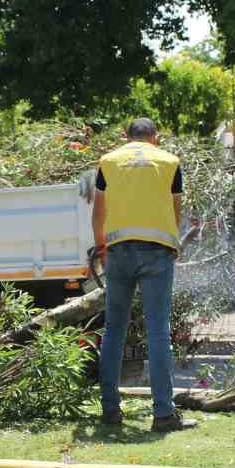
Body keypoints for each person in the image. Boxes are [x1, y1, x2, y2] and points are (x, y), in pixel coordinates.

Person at [92, 117, 197, 432]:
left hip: (119, 252)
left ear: (126, 137)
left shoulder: (108, 162)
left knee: (113, 332)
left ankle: (110, 410)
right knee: (157, 333)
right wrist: (172, 241)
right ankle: (163, 414)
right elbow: (176, 209)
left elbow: (98, 211)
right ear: (156, 138)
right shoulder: (169, 162)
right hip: (157, 252)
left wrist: (101, 247)